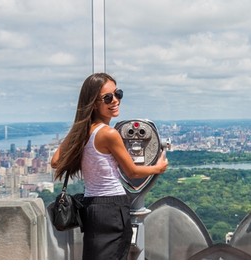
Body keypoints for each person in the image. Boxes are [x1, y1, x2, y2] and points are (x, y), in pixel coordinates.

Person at [51, 73, 168, 260]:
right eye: (108, 97)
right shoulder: (109, 134)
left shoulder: (82, 131)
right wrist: (158, 168)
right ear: (94, 103)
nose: (115, 100)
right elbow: (132, 171)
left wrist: (78, 134)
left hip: (91, 207)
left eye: (118, 94)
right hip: (112, 208)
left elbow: (56, 161)